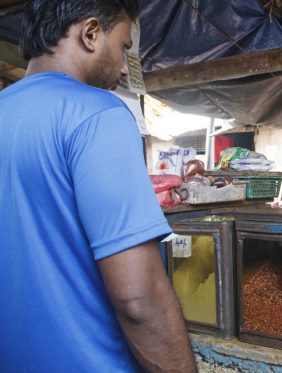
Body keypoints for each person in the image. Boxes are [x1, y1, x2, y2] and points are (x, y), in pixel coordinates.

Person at [0, 1, 197, 372]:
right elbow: (139, 300)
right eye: (124, 47)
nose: (124, 67)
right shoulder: (97, 113)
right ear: (91, 34)